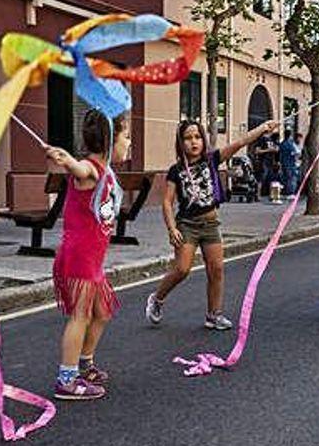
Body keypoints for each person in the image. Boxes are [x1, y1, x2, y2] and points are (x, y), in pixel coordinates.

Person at [146, 120, 278, 329]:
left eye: (197, 137)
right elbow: (167, 202)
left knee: (216, 269)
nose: (193, 142)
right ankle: (157, 298)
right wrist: (172, 228)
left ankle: (213, 314)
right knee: (182, 269)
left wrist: (263, 128)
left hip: (210, 224)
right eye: (188, 138)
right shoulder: (176, 170)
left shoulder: (211, 159)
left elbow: (240, 142)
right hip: (187, 225)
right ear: (180, 143)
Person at [46, 109, 131, 400]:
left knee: (102, 312)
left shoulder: (106, 173)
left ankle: (85, 363)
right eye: (127, 137)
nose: (129, 143)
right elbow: (80, 170)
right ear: (110, 140)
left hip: (92, 259)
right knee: (79, 316)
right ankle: (66, 379)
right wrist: (67, 160)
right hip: (79, 257)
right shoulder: (91, 168)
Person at [279, 130, 300, 198]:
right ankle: (290, 193)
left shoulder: (282, 143)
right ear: (290, 135)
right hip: (290, 164)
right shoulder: (290, 144)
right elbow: (295, 153)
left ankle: (285, 192)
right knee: (291, 178)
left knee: (285, 178)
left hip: (284, 163)